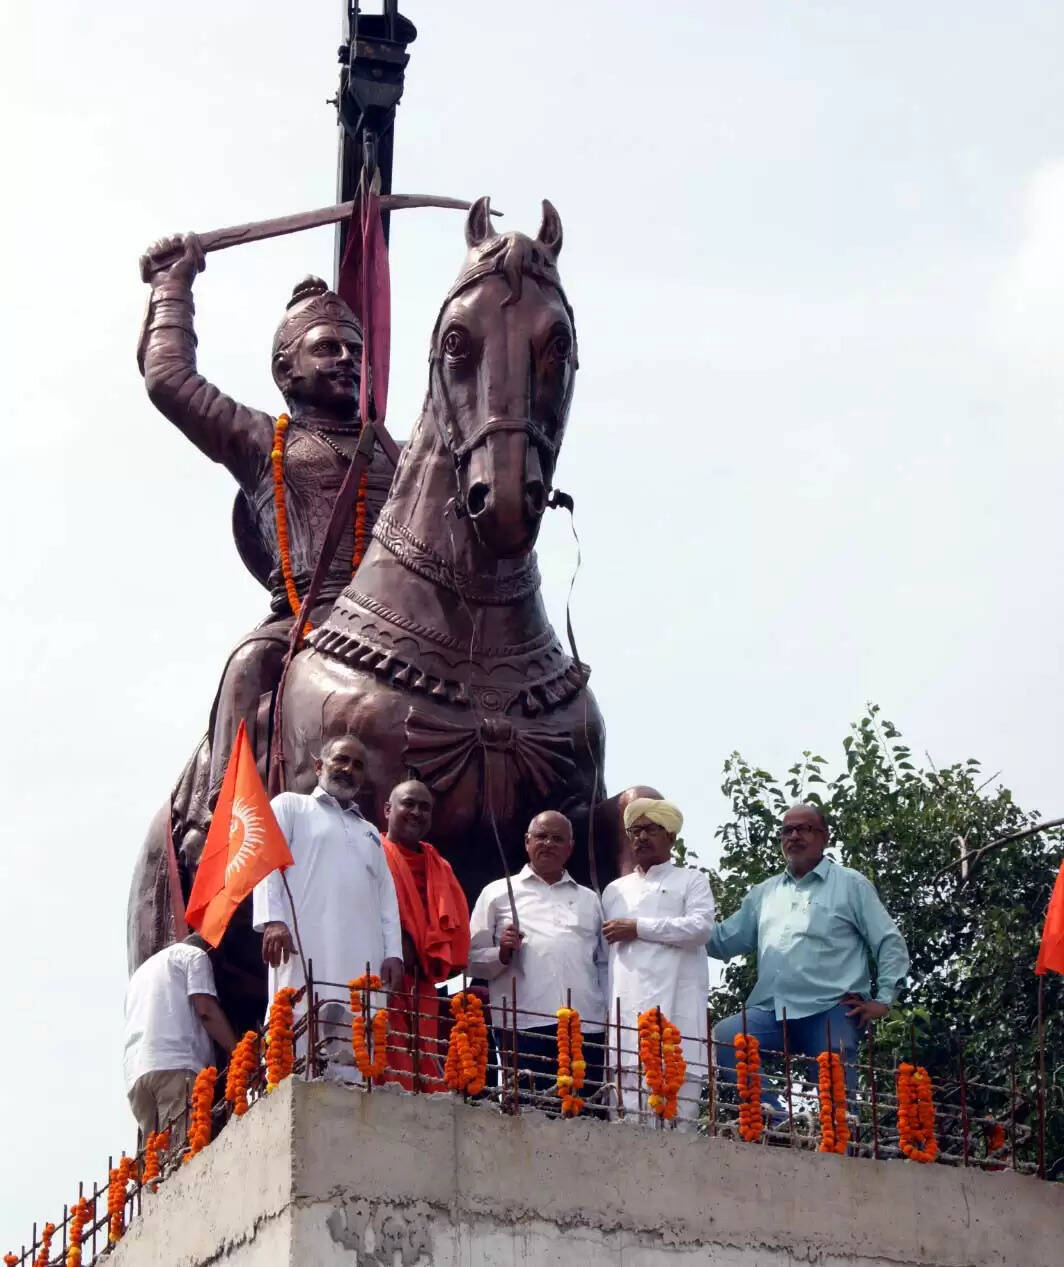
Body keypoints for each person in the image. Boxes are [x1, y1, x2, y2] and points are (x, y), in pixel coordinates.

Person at [137, 234, 396, 822]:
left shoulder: (397, 451)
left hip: (396, 620)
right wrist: (173, 288)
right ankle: (220, 815)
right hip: (305, 616)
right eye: (327, 348)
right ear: (286, 369)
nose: (348, 359)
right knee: (248, 665)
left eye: (355, 350)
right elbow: (170, 381)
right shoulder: (262, 440)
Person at [707, 803, 910, 1108]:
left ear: (824, 837)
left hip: (830, 1008)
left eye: (804, 828)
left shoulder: (850, 884)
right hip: (774, 1010)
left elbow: (889, 940)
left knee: (836, 1097)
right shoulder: (765, 893)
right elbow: (721, 941)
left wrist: (883, 999)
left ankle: (842, 1149)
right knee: (727, 1036)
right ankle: (775, 1124)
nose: (794, 836)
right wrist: (676, 922)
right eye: (787, 830)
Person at [252, 735, 403, 1062]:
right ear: (319, 766)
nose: (348, 769)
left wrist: (393, 953)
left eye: (358, 765)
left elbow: (386, 899)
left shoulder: (370, 833)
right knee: (295, 1026)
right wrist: (273, 921)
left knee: (357, 1045)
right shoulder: (291, 806)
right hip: (303, 943)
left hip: (363, 955)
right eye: (341, 760)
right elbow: (266, 863)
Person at [469, 811, 608, 1107]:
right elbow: (470, 959)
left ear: (570, 847)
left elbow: (604, 963)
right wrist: (501, 953)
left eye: (558, 838)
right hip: (524, 1023)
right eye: (542, 836)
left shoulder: (589, 899)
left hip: (586, 1024)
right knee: (527, 1114)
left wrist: (609, 1015)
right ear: (527, 842)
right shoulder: (496, 892)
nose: (549, 843)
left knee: (586, 1116)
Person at [602, 797, 715, 1126]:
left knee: (678, 1123)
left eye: (651, 829)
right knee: (626, 1122)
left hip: (678, 1013)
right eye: (634, 830)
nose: (641, 837)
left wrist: (637, 927)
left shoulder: (691, 880)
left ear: (672, 837)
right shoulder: (614, 891)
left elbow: (700, 927)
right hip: (626, 1021)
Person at [381, 780, 470, 1091]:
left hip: (422, 980)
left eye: (425, 807)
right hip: (381, 975)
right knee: (386, 1061)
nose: (417, 812)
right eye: (409, 804)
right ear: (388, 810)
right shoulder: (372, 854)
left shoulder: (440, 866)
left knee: (425, 1059)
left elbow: (455, 927)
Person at [123, 933, 237, 1147]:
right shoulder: (195, 956)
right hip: (175, 1064)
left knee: (154, 1163)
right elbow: (205, 1009)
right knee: (181, 1153)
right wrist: (235, 1049)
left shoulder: (141, 974)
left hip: (136, 1075)